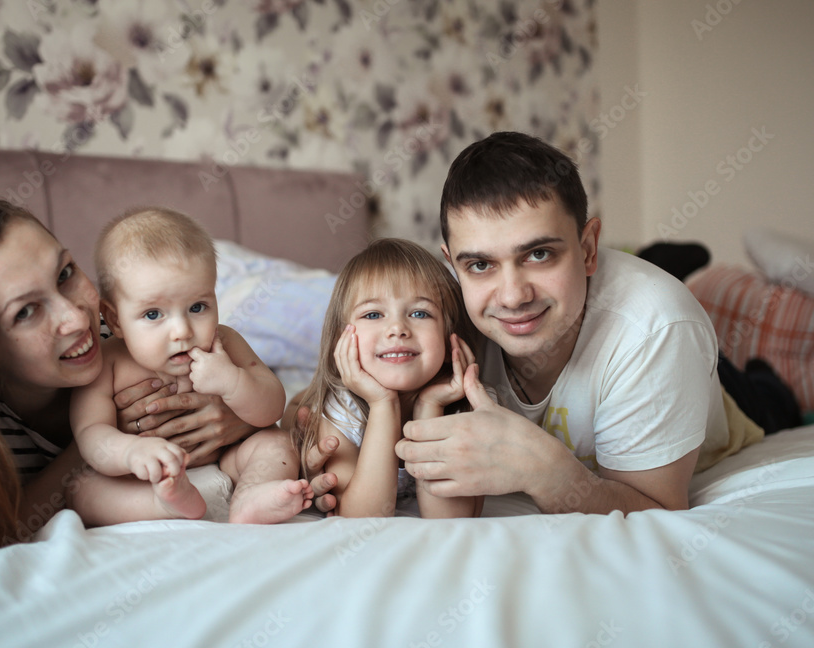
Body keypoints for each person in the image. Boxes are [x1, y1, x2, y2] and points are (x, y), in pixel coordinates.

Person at [303, 131, 733, 515]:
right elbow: (356, 385)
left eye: (539, 254)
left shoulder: (657, 329)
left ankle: (666, 264)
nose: (512, 297)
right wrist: (295, 420)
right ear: (452, 265)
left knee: (761, 388)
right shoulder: (441, 312)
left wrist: (546, 472)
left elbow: (656, 512)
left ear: (587, 249)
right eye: (480, 264)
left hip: (721, 401)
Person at [0, 194, 257, 553]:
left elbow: (256, 398)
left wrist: (237, 411)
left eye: (65, 274)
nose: (77, 318)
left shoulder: (130, 338)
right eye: (25, 311)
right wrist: (98, 443)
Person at [70, 207, 313, 525]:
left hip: (227, 461)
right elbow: (91, 433)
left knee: (277, 442)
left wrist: (234, 382)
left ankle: (251, 495)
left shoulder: (224, 342)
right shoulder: (108, 362)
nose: (182, 331)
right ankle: (166, 505)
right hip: (144, 480)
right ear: (114, 318)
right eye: (154, 314)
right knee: (81, 490)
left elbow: (272, 409)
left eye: (197, 307)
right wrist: (130, 452)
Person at [293, 238, 483, 518]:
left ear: (449, 339)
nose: (397, 328)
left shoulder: (469, 407)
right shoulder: (341, 411)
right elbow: (361, 518)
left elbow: (450, 521)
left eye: (420, 313)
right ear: (340, 341)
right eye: (373, 314)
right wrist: (383, 404)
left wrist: (430, 407)